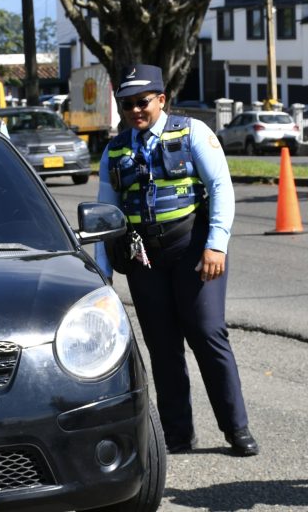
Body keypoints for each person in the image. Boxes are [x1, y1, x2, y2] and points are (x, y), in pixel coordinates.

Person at [95, 64, 258, 457]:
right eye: (127, 104)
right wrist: (102, 274)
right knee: (163, 346)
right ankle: (178, 435)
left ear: (161, 99)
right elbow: (104, 213)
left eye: (143, 102)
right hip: (143, 258)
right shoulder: (116, 150)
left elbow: (221, 187)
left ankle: (236, 429)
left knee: (207, 333)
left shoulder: (192, 132)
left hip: (194, 250)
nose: (135, 110)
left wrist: (216, 245)